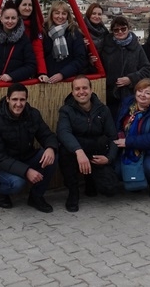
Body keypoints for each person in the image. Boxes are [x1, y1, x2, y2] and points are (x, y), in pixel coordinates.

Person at [0, 83, 59, 212]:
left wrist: (50, 148)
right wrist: (26, 171)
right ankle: (1, 190)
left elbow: (47, 135)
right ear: (7, 99)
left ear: (26, 100)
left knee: (53, 156)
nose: (18, 104)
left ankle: (36, 196)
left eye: (22, 100)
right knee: (17, 183)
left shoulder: (33, 114)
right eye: (14, 99)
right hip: (2, 165)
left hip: (26, 157)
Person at [56, 75, 119, 212]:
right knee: (64, 150)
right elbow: (63, 132)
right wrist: (78, 151)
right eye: (77, 89)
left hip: (96, 150)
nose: (81, 92)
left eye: (84, 88)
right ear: (73, 92)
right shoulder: (66, 110)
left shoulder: (103, 110)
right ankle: (73, 192)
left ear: (91, 90)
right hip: (76, 152)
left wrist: (109, 158)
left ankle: (90, 180)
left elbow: (113, 137)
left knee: (110, 189)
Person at [114, 78, 150, 199]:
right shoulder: (127, 105)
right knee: (116, 170)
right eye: (140, 91)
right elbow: (118, 125)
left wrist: (129, 142)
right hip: (126, 149)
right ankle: (135, 181)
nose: (142, 95)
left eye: (147, 93)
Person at [100, 16, 150, 119]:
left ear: (128, 28)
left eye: (123, 29)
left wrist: (131, 79)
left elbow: (147, 69)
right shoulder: (106, 47)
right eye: (116, 30)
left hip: (131, 96)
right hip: (110, 97)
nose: (120, 32)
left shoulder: (137, 47)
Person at [0, 0, 37, 82]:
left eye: (13, 18)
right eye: (7, 18)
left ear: (17, 19)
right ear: (1, 19)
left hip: (15, 85)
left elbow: (31, 65)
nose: (10, 21)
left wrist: (12, 76)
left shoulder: (24, 39)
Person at [39, 0, 87, 84]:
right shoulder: (44, 31)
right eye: (57, 13)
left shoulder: (74, 32)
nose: (60, 16)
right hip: (47, 79)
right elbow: (40, 55)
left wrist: (62, 74)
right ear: (51, 14)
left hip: (68, 79)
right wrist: (42, 73)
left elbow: (80, 58)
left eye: (64, 13)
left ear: (68, 16)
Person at [15, 0, 48, 80]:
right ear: (17, 6)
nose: (27, 8)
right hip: (11, 69)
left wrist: (42, 72)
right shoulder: (11, 24)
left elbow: (38, 50)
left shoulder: (35, 26)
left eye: (30, 5)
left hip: (27, 69)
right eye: (24, 5)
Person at [84, 3, 109, 69]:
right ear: (89, 14)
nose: (97, 16)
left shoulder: (104, 30)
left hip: (102, 66)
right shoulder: (81, 30)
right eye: (94, 13)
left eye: (99, 14)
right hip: (87, 68)